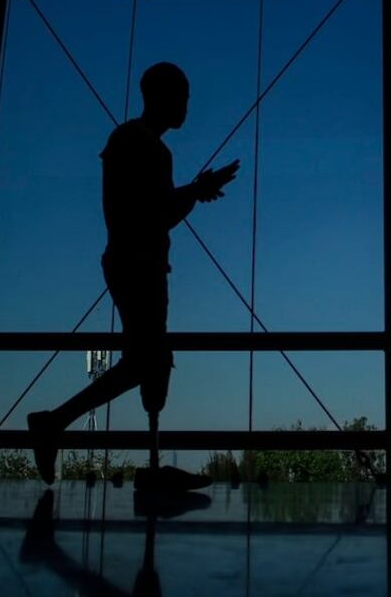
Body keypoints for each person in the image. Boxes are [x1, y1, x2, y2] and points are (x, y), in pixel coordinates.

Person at [27, 62, 240, 488]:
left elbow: (150, 212)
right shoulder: (150, 148)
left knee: (151, 360)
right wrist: (195, 192)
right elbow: (156, 215)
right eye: (183, 97)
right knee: (149, 360)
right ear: (164, 97)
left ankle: (68, 428)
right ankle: (57, 424)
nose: (186, 107)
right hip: (139, 265)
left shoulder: (129, 141)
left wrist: (192, 193)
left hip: (131, 262)